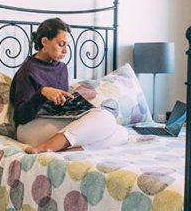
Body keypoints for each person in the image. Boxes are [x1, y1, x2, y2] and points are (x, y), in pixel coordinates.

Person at [10, 18, 128, 153]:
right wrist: (42, 93)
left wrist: (76, 107)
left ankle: (63, 148)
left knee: (121, 132)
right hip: (29, 128)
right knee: (104, 118)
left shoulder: (62, 68)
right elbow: (20, 116)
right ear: (44, 42)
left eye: (67, 45)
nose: (65, 51)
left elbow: (60, 107)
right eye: (61, 44)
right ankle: (44, 147)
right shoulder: (28, 70)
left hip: (55, 122)